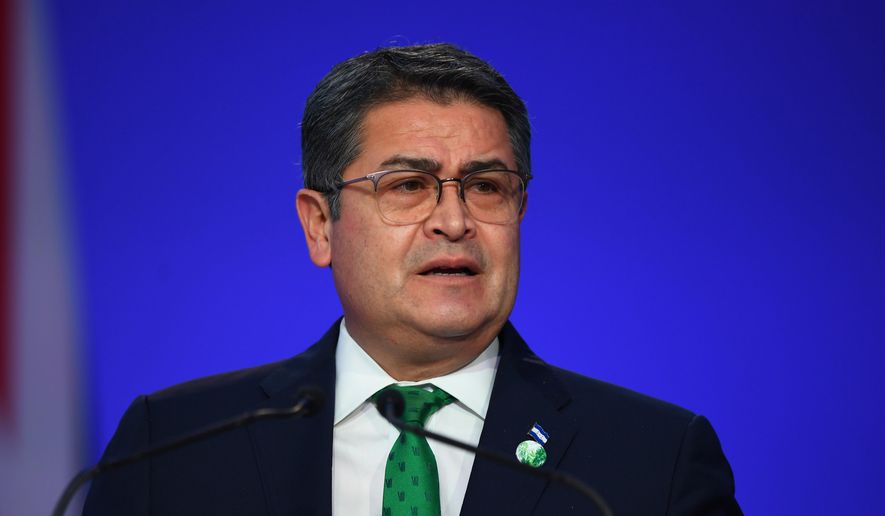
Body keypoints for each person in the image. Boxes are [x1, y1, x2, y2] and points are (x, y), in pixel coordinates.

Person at [83, 43, 741, 515]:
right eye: (408, 186)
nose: (453, 221)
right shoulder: (171, 448)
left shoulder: (651, 461)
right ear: (319, 226)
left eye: (486, 187)